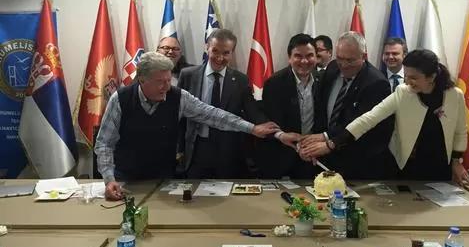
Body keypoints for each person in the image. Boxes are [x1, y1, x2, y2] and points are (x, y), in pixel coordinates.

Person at [95, 51, 279, 200]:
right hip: (126, 180)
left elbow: (214, 115)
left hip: (164, 179)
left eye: (169, 80)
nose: (167, 87)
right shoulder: (120, 99)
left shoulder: (178, 97)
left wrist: (252, 128)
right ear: (142, 80)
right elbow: (104, 143)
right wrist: (109, 179)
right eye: (160, 82)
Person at [301, 49, 469, 184]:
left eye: (413, 77)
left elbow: (460, 131)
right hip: (407, 165)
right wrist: (332, 143)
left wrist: (456, 161)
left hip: (440, 165)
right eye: (406, 75)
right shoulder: (403, 93)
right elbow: (368, 119)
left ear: (432, 76)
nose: (407, 81)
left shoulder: (454, 95)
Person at [178, 29, 293, 178]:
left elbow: (254, 113)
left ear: (232, 53)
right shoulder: (187, 75)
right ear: (207, 48)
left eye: (226, 53)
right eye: (215, 51)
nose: (220, 58)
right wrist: (178, 149)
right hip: (196, 150)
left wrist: (279, 134)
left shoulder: (241, 80)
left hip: (228, 153)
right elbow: (178, 115)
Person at [300, 32, 395, 180]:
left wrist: (326, 138)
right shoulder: (332, 68)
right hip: (325, 160)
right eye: (340, 58)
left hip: (357, 162)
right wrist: (314, 144)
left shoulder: (376, 83)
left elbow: (359, 122)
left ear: (363, 56)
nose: (343, 65)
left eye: (350, 60)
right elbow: (321, 108)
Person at [258, 34, 319, 179]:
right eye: (298, 56)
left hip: (312, 156)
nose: (304, 61)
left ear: (316, 57)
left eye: (309, 56)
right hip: (282, 156)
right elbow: (270, 121)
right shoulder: (274, 83)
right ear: (289, 58)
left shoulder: (323, 80)